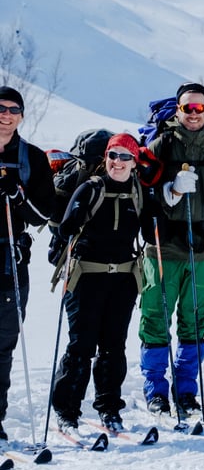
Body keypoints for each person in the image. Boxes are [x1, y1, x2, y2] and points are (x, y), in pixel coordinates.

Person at [139, 82, 204, 416]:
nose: (194, 114)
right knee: (155, 318)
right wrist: (169, 192)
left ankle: (186, 391)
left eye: (199, 108)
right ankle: (156, 391)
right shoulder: (160, 146)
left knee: (195, 321)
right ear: (179, 110)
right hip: (163, 247)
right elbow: (141, 192)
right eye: (188, 108)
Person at [51, 133, 148, 431]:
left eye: (125, 156)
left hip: (123, 278)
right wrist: (74, 218)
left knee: (113, 346)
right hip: (86, 276)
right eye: (113, 155)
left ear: (135, 161)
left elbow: (160, 226)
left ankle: (109, 408)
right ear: (105, 158)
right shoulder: (90, 189)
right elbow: (64, 230)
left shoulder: (139, 193)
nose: (117, 162)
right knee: (81, 345)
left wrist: (172, 197)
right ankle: (67, 410)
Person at [0, 86, 55, 442]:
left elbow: (43, 214)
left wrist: (18, 197)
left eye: (12, 109)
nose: (5, 115)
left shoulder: (30, 157)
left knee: (3, 344)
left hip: (8, 260)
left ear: (21, 115)